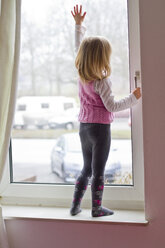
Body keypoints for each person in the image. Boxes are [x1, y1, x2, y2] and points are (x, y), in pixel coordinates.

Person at [70, 5, 141, 217]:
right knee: (98, 171)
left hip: (84, 127)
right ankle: (96, 208)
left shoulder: (82, 74)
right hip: (100, 130)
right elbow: (112, 106)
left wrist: (78, 26)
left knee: (86, 168)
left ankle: (75, 206)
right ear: (102, 59)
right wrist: (134, 98)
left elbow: (78, 49)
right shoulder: (102, 81)